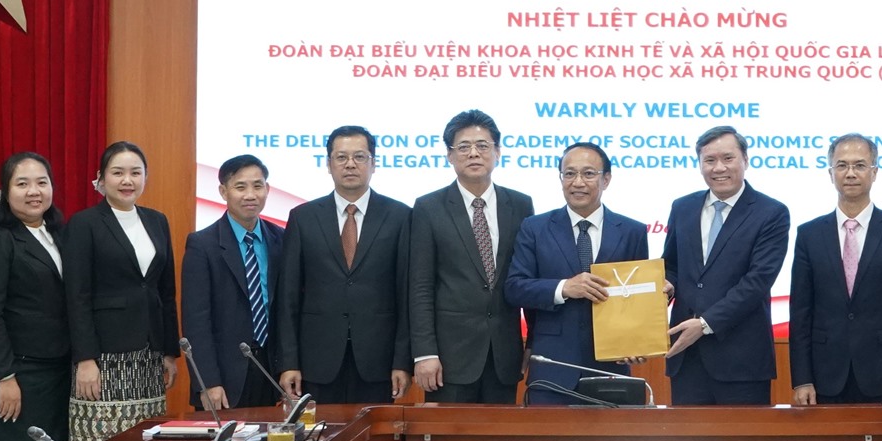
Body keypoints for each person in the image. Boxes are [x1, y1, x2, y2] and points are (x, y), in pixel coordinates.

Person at [505, 143, 651, 404]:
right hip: (552, 369)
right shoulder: (535, 228)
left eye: (588, 173)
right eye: (569, 174)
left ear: (606, 179)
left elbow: (637, 298)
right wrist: (564, 288)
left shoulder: (632, 231)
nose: (578, 182)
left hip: (611, 369)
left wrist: (637, 344)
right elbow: (515, 288)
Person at [277, 126, 412, 404]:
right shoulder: (303, 218)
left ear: (374, 163)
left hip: (379, 361)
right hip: (316, 361)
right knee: (319, 431)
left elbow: (407, 294)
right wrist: (289, 361)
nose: (350, 164)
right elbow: (287, 296)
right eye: (341, 157)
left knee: (375, 432)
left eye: (359, 156)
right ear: (328, 164)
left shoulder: (400, 216)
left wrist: (403, 361)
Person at [410, 110, 534, 403]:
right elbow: (420, 286)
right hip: (449, 358)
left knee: (500, 432)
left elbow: (528, 279)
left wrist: (533, 342)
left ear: (497, 152)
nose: (474, 153)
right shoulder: (428, 208)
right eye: (464, 146)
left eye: (482, 145)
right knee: (447, 433)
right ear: (450, 155)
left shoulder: (520, 204)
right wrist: (425, 353)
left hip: (505, 355)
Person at [790, 133, 882, 406]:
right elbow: (801, 312)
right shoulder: (809, 234)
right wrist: (802, 379)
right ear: (830, 173)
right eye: (842, 165)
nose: (850, 173)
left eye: (860, 165)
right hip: (824, 374)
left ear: (874, 172)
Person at [663, 126, 791, 405]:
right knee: (686, 435)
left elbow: (757, 281)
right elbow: (671, 265)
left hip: (741, 361)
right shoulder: (682, 207)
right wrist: (667, 284)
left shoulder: (771, 213)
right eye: (709, 160)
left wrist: (705, 324)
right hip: (686, 358)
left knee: (742, 436)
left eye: (728, 158)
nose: (718, 168)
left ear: (745, 160)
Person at [63, 142, 179, 441]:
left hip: (149, 356)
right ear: (102, 178)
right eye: (118, 173)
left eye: (135, 173)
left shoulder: (157, 220)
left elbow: (166, 292)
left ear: (145, 177)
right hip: (103, 357)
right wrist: (85, 359)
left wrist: (169, 352)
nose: (127, 180)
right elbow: (77, 296)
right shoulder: (84, 223)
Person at [0, 153, 71, 441]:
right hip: (16, 374)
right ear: (6, 191)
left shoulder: (60, 235)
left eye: (42, 182)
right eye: (22, 184)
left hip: (56, 374)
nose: (34, 192)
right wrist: (6, 376)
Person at [182, 155, 285, 411]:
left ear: (267, 189)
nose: (250, 195)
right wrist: (207, 382)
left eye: (258, 186)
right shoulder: (202, 245)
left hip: (272, 372)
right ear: (223, 191)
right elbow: (196, 321)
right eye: (240, 187)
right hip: (224, 378)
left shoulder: (282, 239)